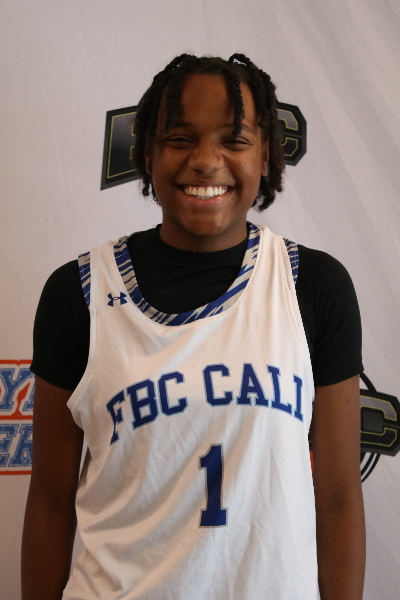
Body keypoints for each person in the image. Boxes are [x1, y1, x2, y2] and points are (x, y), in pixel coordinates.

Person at [22, 54, 365, 600]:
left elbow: (340, 499)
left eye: (234, 140)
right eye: (180, 139)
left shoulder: (313, 286)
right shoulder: (79, 293)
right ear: (147, 154)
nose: (206, 161)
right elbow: (48, 502)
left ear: (266, 154)